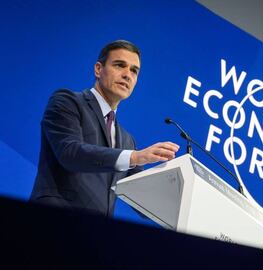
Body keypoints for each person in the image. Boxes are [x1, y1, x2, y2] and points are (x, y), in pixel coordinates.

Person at [30, 40, 179, 217]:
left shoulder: (127, 140)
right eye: (119, 65)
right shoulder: (68, 102)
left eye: (134, 70)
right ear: (98, 69)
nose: (127, 75)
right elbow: (70, 153)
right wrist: (134, 157)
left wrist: (177, 193)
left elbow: (141, 201)